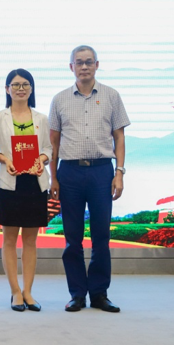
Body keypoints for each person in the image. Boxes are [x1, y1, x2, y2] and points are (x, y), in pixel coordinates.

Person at [49, 45, 130, 313]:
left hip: (101, 171)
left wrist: (119, 172)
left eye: (89, 62)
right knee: (72, 238)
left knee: (101, 236)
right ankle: (77, 294)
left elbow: (119, 137)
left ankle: (99, 294)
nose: (84, 66)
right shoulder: (59, 99)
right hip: (69, 173)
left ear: (97, 64)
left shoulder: (111, 96)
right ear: (71, 67)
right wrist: (54, 178)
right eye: (79, 62)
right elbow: (53, 142)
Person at [0, 69, 52, 312]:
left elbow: (48, 148)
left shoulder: (42, 118)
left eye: (25, 84)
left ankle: (28, 292)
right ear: (7, 89)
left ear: (31, 89)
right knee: (9, 239)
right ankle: (15, 292)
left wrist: (41, 160)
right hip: (10, 182)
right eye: (15, 85)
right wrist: (5, 159)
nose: (20, 88)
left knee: (31, 241)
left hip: (35, 182)